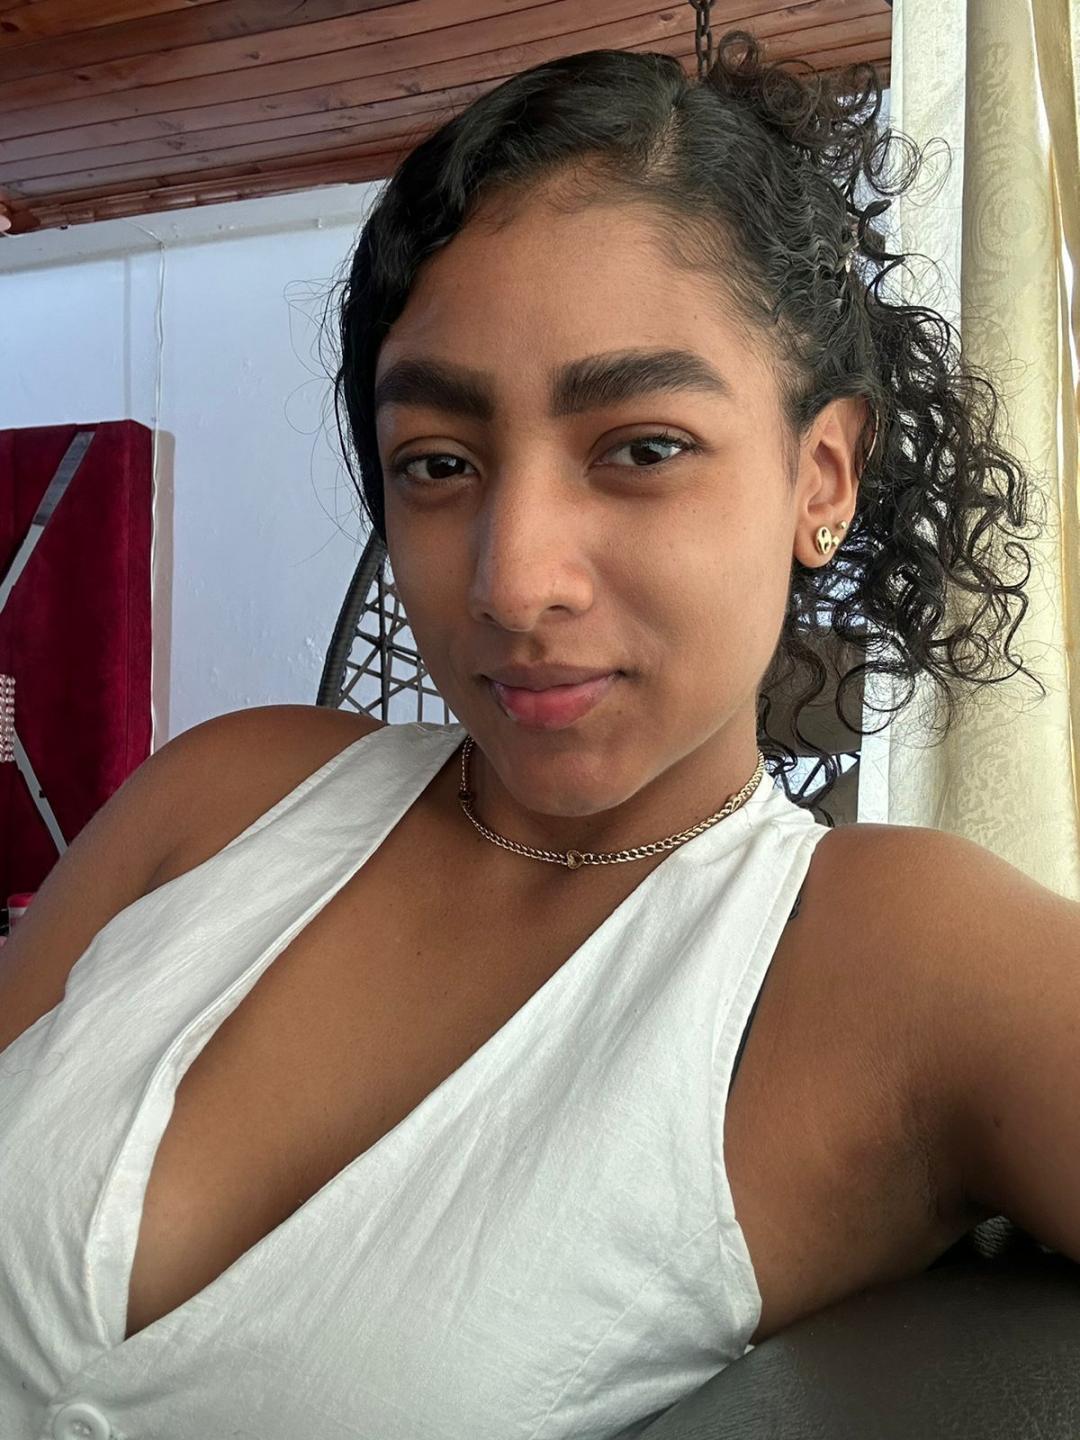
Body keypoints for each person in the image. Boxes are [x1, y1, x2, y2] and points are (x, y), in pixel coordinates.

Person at [2, 27, 1077, 1440]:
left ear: (822, 475)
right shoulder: (225, 793)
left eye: (641, 448)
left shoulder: (892, 959)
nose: (513, 583)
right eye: (439, 464)